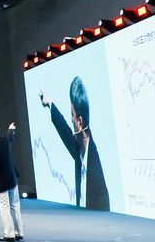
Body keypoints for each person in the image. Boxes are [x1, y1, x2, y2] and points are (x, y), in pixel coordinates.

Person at [40, 78, 109, 211]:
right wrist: (50, 104)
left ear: (80, 121)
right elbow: (64, 130)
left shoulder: (94, 165)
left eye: (72, 115)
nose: (71, 120)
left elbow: (103, 205)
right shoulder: (80, 149)